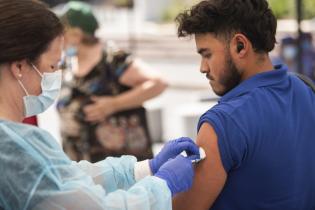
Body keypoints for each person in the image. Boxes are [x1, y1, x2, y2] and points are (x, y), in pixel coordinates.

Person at [0, 1, 200, 209]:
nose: (54, 76)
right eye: (51, 66)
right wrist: (162, 186)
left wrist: (143, 169)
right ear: (19, 66)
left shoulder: (17, 147)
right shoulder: (16, 148)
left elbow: (67, 179)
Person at [172, 0, 315, 210]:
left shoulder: (222, 124)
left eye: (207, 54)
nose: (203, 68)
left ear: (240, 46)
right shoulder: (307, 90)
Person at [56, 1, 168, 162]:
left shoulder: (112, 59)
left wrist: (114, 104)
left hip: (121, 172)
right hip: (81, 170)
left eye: (62, 32)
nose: (58, 38)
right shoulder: (67, 63)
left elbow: (158, 83)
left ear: (76, 34)